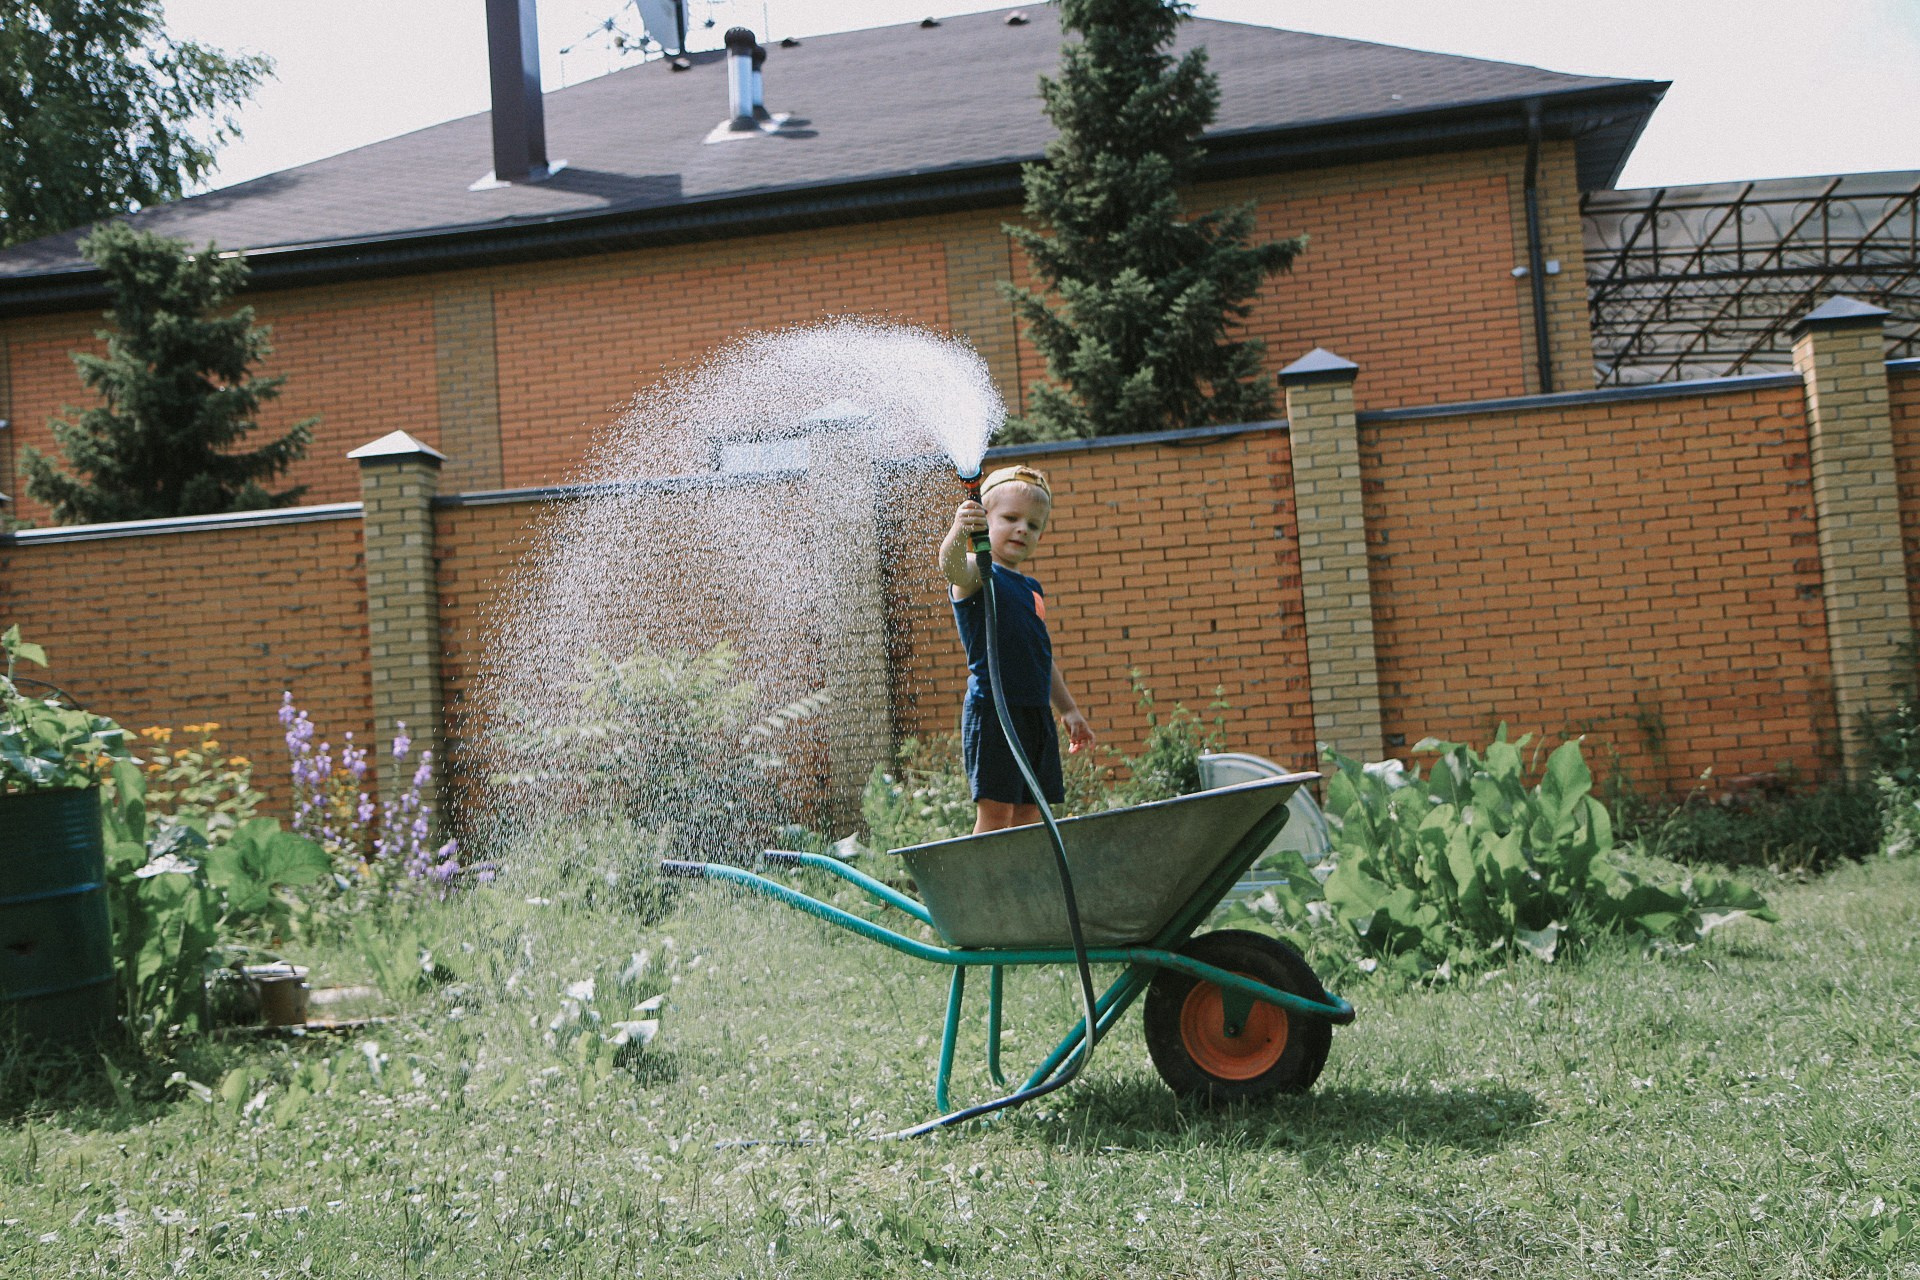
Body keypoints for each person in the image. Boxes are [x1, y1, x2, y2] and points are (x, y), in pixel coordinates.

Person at [939, 464, 1096, 833]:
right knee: (996, 814)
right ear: (985, 519)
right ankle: (983, 886)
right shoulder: (979, 573)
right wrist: (959, 529)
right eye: (1010, 518)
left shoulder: (1031, 589)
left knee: (1031, 815)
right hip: (995, 710)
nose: (1022, 528)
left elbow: (1040, 656)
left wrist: (1069, 709)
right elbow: (950, 568)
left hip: (1034, 714)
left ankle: (1022, 887)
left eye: (1034, 525)